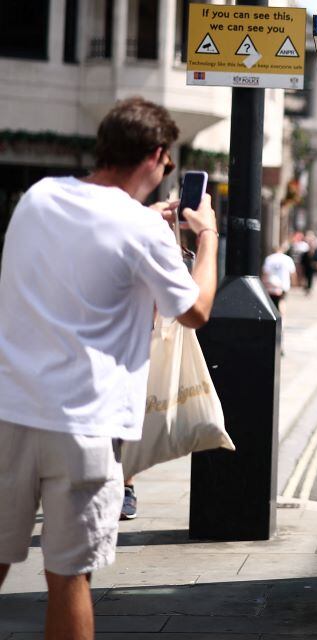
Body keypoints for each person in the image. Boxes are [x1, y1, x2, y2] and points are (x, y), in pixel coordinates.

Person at [0, 97, 218, 639]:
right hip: (85, 425)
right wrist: (207, 236)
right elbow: (196, 309)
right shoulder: (140, 232)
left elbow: (90, 237)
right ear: (157, 157)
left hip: (9, 409)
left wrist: (143, 221)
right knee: (68, 576)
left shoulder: (38, 198)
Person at [262, 245, 296, 315]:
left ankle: (273, 315)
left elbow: (265, 273)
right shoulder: (287, 259)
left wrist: (263, 283)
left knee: (272, 302)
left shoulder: (269, 258)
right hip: (284, 284)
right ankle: (282, 316)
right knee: (282, 301)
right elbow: (293, 273)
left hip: (271, 284)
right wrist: (294, 282)